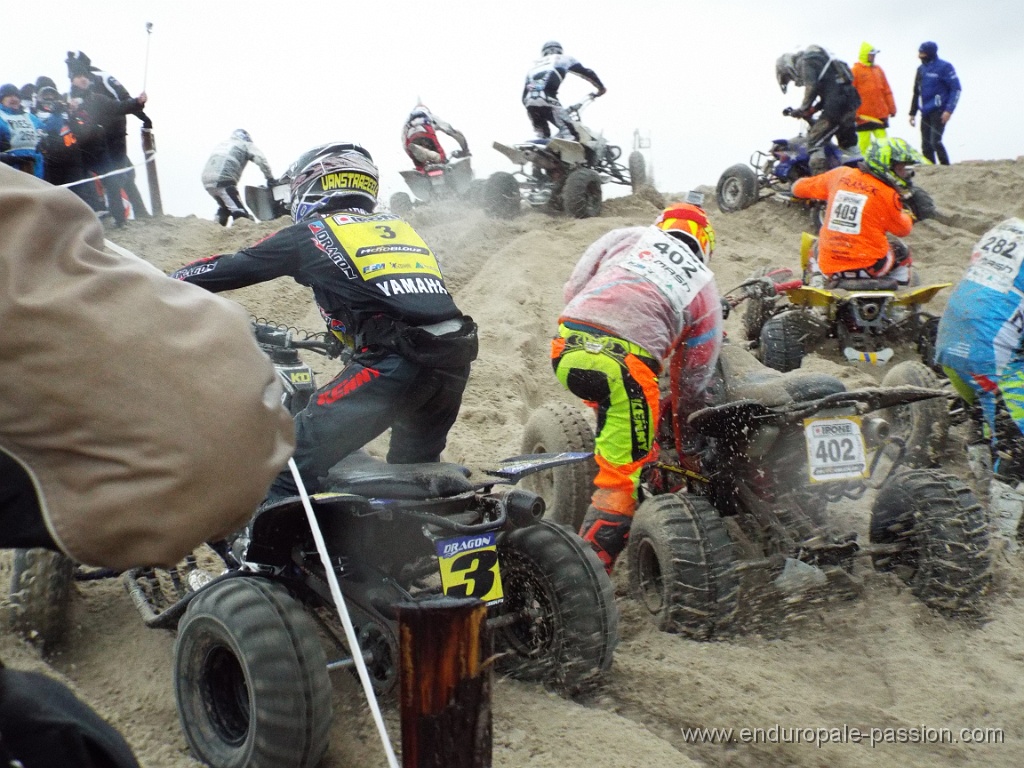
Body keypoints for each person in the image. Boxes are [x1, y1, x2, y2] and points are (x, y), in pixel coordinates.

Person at [0, 163, 294, 568]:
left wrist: (181, 277)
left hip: (136, 484)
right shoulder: (37, 200)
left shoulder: (306, 234)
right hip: (239, 409)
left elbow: (240, 263)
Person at [172, 143, 479, 503]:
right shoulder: (399, 229)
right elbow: (398, 297)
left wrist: (162, 281)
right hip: (453, 360)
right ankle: (411, 548)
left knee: (286, 462)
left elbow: (230, 267)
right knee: (411, 475)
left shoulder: (312, 232)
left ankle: (272, 561)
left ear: (312, 184)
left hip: (393, 365)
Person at [551, 203, 723, 572]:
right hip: (625, 367)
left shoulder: (625, 237)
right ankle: (587, 579)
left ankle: (625, 449)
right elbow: (692, 380)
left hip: (568, 346)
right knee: (620, 484)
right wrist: (686, 442)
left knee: (620, 418)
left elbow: (574, 289)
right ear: (705, 245)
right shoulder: (703, 282)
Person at [934, 218, 1024, 479]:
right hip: (989, 361)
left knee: (986, 411)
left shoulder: (1008, 228)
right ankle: (1000, 516)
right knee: (1017, 449)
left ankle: (982, 467)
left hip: (950, 344)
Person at [791, 137, 925, 285]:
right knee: (901, 250)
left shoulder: (840, 174)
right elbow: (903, 230)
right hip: (869, 268)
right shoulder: (888, 194)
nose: (904, 174)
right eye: (901, 168)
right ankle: (898, 294)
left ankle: (816, 279)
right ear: (887, 165)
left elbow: (797, 188)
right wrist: (906, 215)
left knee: (816, 244)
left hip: (830, 267)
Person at [65, 50, 152, 217]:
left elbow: (121, 100)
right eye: (77, 74)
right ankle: (119, 212)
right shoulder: (68, 98)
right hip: (90, 143)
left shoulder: (101, 82)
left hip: (113, 134)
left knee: (119, 171)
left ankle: (128, 214)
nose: (82, 78)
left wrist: (140, 110)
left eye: (83, 73)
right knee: (110, 174)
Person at [776, 45, 861, 173]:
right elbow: (832, 92)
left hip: (836, 109)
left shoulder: (805, 62)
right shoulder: (822, 61)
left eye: (788, 77)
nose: (792, 80)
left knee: (814, 142)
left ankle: (820, 180)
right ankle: (861, 174)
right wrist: (813, 109)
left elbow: (812, 86)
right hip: (850, 104)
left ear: (788, 67)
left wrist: (803, 108)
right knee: (849, 147)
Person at [522, 40, 606, 140]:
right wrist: (600, 87)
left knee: (543, 135)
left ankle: (540, 150)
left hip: (529, 103)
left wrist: (532, 106)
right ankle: (567, 149)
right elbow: (587, 73)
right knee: (570, 133)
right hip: (548, 100)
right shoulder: (564, 59)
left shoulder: (534, 65)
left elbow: (524, 94)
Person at [201, 128, 275, 225]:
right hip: (224, 180)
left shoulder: (225, 143)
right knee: (240, 213)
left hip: (207, 180)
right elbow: (260, 160)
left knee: (226, 207)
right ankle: (240, 230)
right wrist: (270, 178)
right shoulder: (245, 144)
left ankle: (215, 228)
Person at [909, 41, 961, 165]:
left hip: (939, 111)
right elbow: (916, 92)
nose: (919, 56)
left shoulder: (945, 67)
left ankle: (945, 166)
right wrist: (912, 113)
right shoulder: (920, 69)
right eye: (919, 53)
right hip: (925, 111)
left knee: (935, 141)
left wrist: (949, 110)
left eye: (922, 53)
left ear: (930, 53)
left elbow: (956, 88)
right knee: (926, 145)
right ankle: (931, 168)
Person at [852, 42, 897, 154]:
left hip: (879, 115)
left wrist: (892, 107)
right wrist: (853, 112)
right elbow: (850, 94)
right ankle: (863, 168)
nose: (873, 56)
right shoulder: (855, 70)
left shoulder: (878, 70)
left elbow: (887, 90)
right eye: (871, 54)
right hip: (862, 116)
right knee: (864, 146)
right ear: (864, 54)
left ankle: (884, 164)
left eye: (874, 54)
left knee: (883, 144)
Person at [401, 104, 470, 170]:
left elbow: (404, 144)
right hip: (426, 132)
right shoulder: (430, 116)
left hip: (412, 138)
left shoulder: (407, 122)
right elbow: (450, 131)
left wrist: (412, 156)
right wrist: (465, 148)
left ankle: (422, 158)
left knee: (420, 166)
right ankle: (429, 154)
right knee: (442, 158)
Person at [0, 82, 45, 177]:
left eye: (16, 96)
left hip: (33, 168)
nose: (14, 99)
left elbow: (48, 131)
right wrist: (6, 158)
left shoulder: (31, 117)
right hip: (9, 171)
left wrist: (57, 115)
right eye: (8, 95)